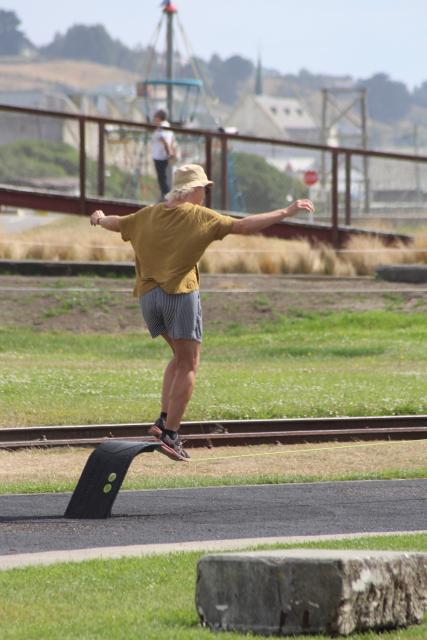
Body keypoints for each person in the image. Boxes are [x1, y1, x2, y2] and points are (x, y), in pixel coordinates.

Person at [90, 163, 315, 461]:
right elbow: (245, 226)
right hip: (179, 294)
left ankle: (162, 422)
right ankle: (171, 434)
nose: (206, 195)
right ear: (194, 190)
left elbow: (117, 222)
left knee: (179, 358)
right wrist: (285, 213)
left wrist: (100, 217)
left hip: (148, 298)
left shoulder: (148, 215)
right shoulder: (200, 217)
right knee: (190, 364)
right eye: (204, 189)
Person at [151, 109, 176, 200]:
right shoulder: (168, 126)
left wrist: (169, 151)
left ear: (158, 117)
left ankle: (166, 197)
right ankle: (166, 195)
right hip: (163, 155)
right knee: (165, 177)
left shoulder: (161, 127)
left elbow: (163, 139)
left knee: (162, 178)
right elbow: (172, 139)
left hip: (159, 155)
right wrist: (172, 151)